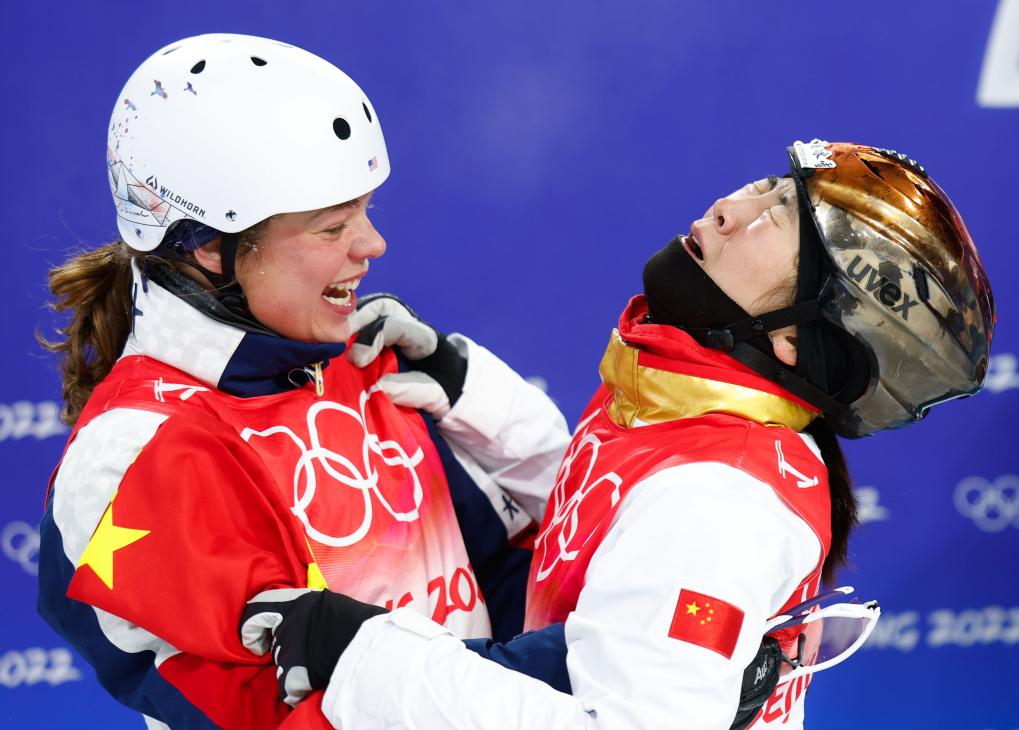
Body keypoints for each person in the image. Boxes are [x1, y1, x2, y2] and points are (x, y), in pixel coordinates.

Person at [241, 139, 996, 729]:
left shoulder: (717, 505)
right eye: (767, 186)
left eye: (776, 220)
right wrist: (464, 384)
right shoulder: (699, 407)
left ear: (795, 340)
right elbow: (606, 519)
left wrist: (361, 654)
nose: (729, 207)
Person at [36, 33, 573, 729]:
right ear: (210, 246)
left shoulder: (352, 360)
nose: (372, 245)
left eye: (366, 211)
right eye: (331, 227)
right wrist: (594, 669)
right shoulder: (137, 458)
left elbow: (527, 565)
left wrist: (471, 391)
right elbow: (287, 716)